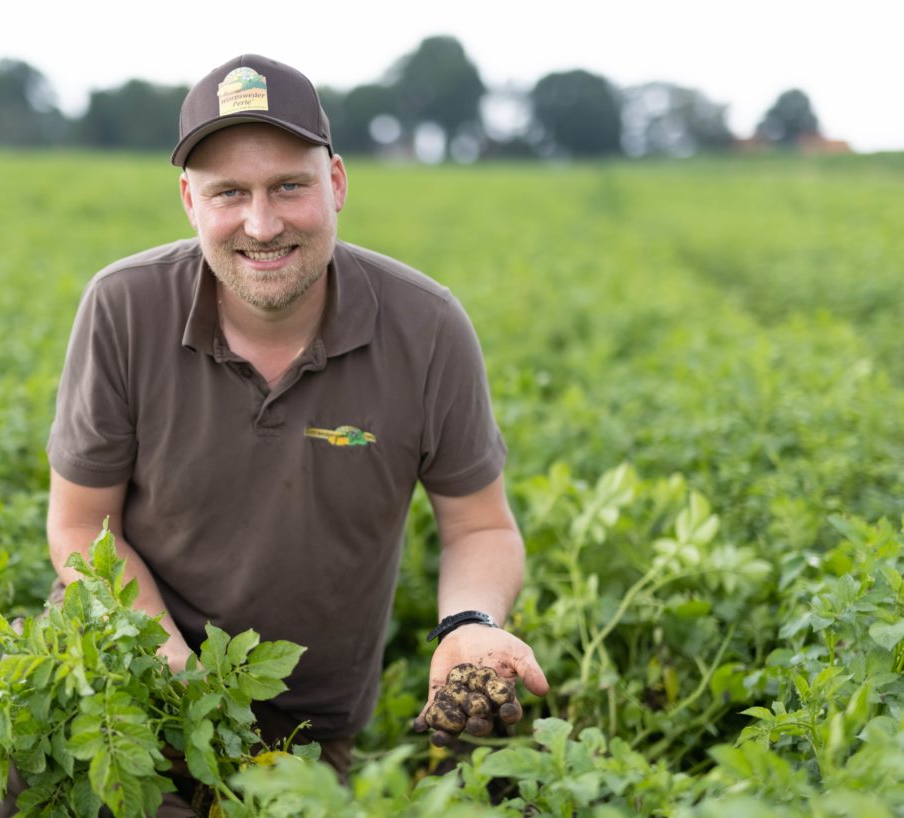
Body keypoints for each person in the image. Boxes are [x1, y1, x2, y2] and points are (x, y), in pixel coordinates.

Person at [38, 54, 547, 816]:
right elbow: (80, 525)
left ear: (336, 183)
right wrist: (170, 668)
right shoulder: (123, 308)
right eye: (229, 193)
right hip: (125, 678)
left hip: (302, 725)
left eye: (289, 186)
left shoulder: (427, 327)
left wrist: (469, 625)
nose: (262, 223)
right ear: (189, 200)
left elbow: (479, 524)